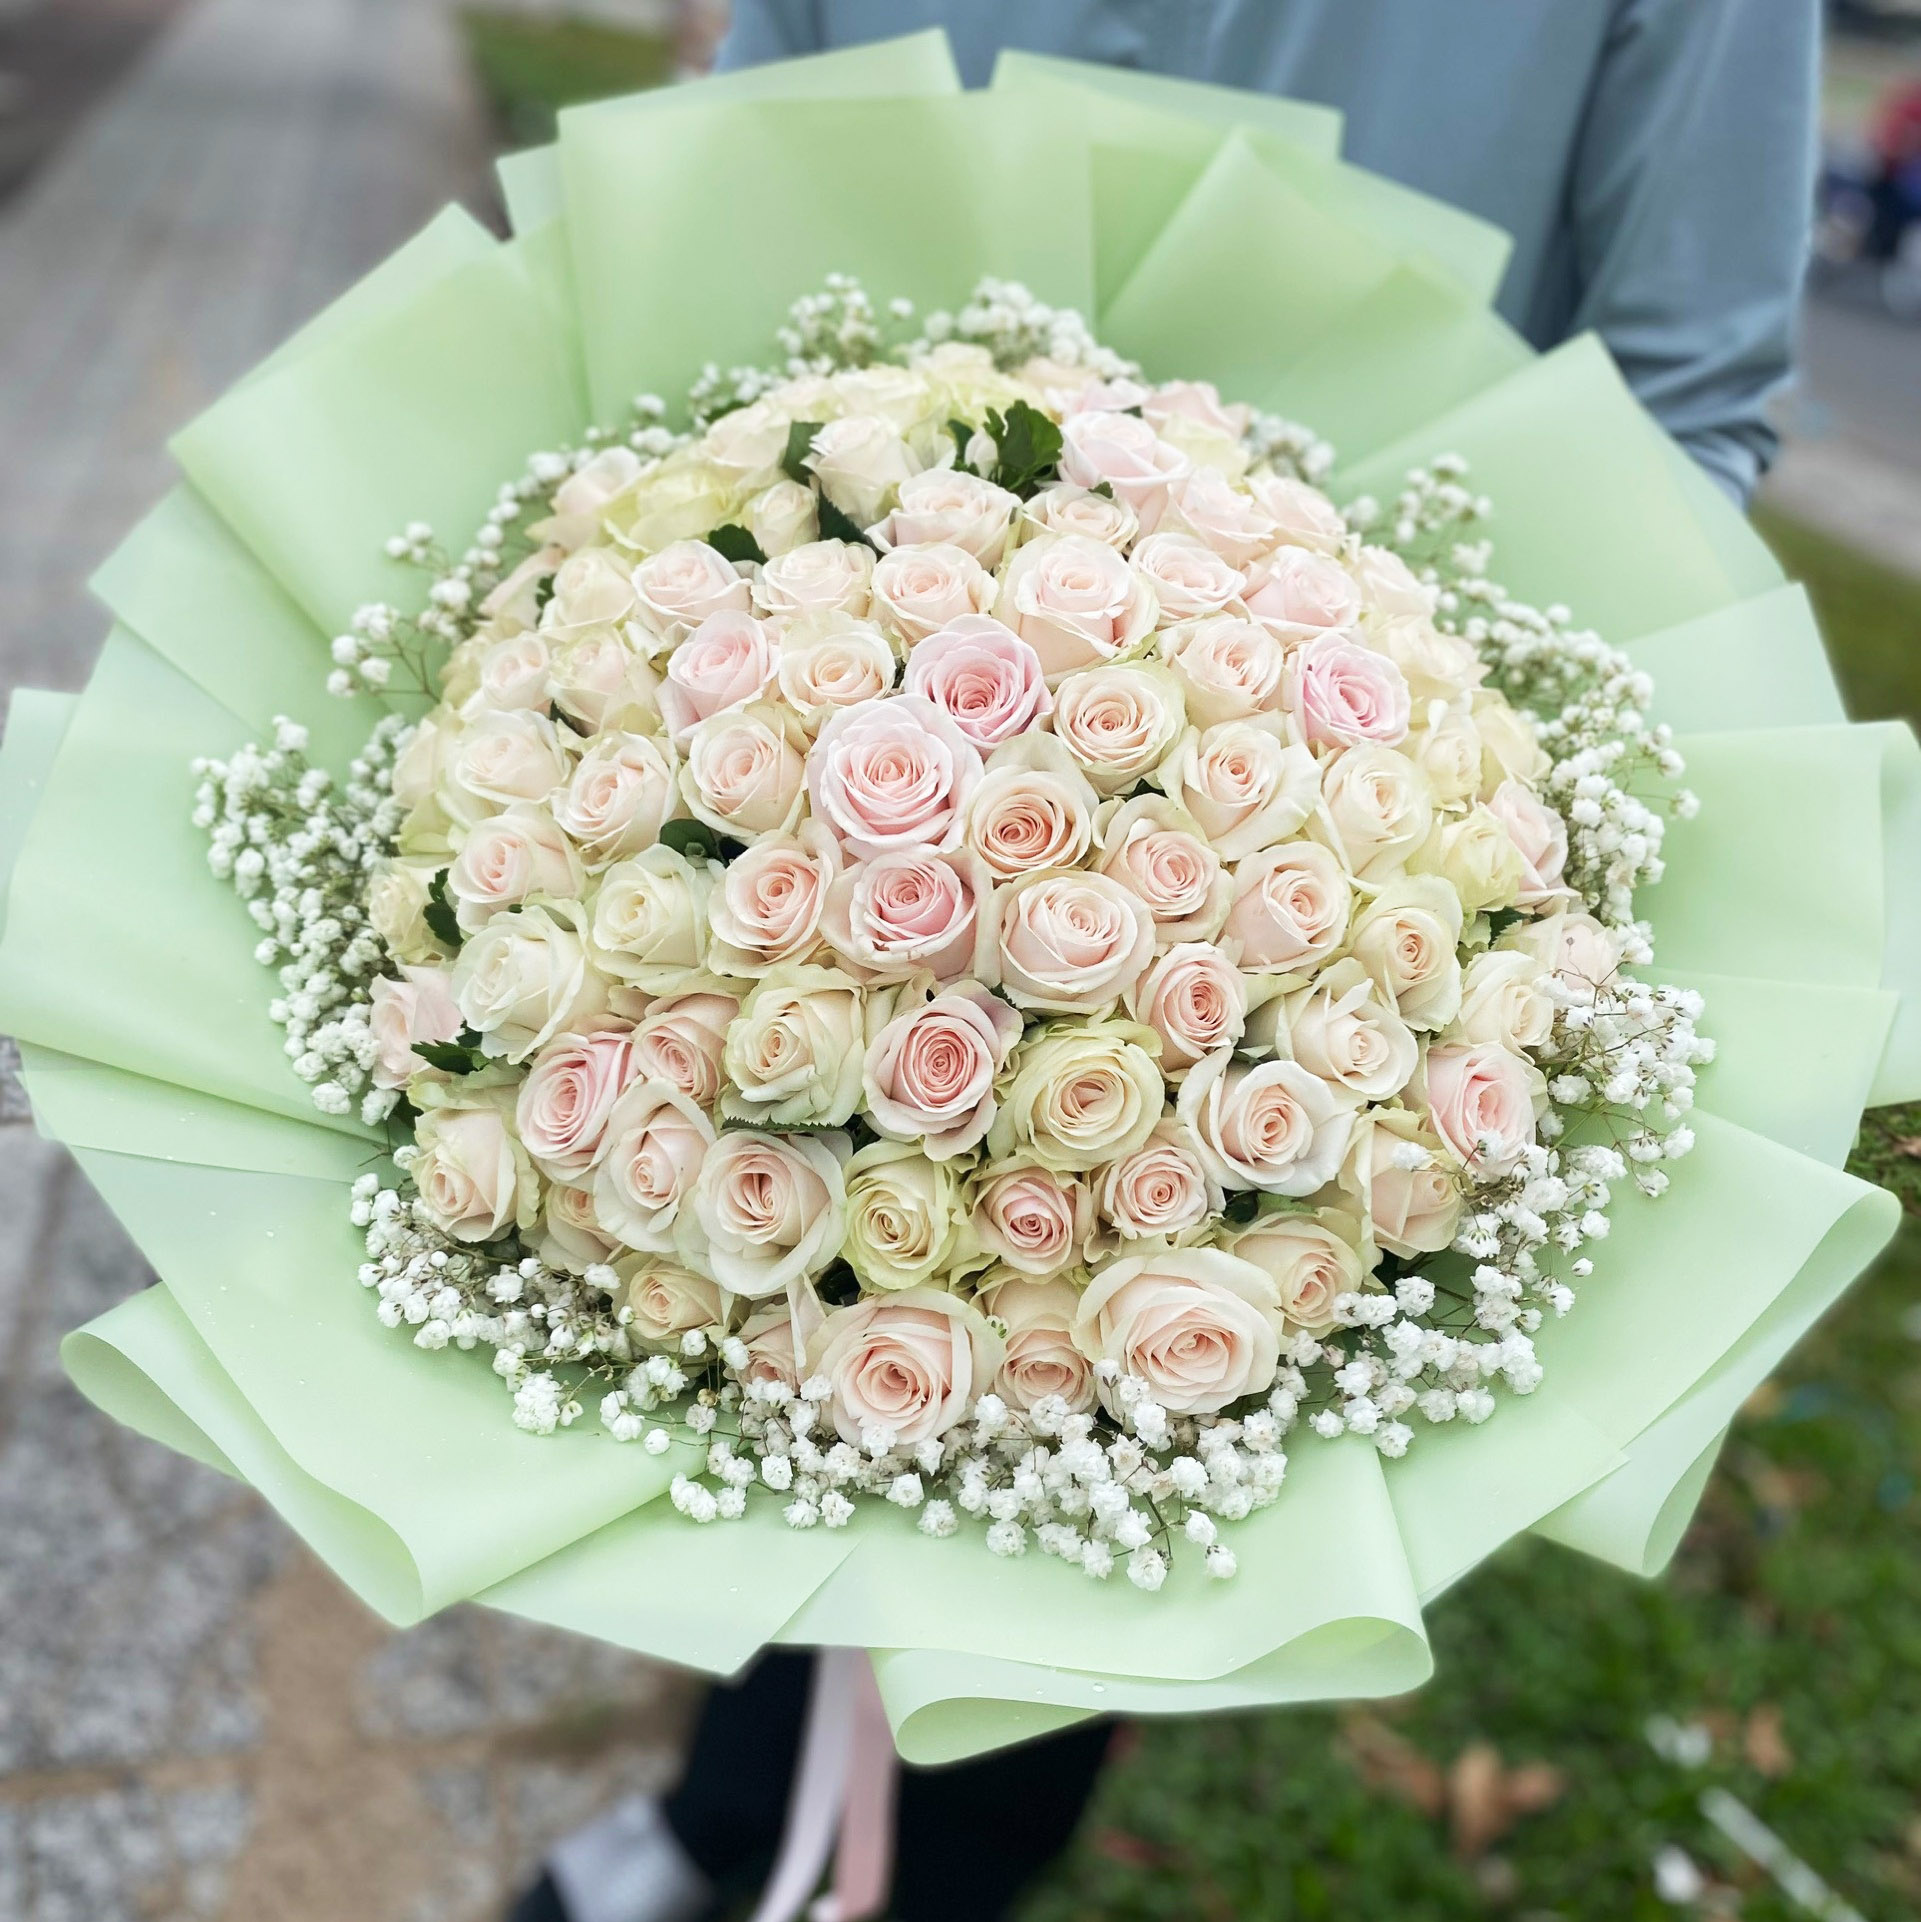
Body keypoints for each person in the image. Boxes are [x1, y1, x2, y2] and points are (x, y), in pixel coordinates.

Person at [513, 6, 1818, 1918]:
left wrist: (1459, 795)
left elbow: (1685, 398)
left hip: (1337, 807)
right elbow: (737, 176)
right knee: (783, 1286)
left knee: (1091, 1383)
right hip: (817, 634)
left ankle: (910, 1869)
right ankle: (727, 1812)